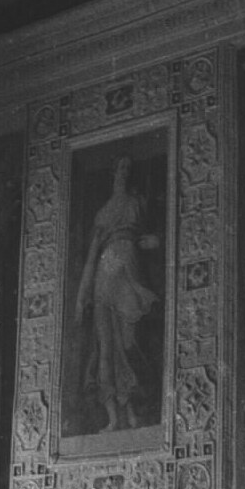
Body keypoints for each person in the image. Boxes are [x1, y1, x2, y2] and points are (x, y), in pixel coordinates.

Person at [73, 155, 162, 432]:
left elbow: (157, 233)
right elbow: (92, 255)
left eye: (128, 168)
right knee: (105, 348)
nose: (125, 171)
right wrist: (82, 296)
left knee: (128, 342)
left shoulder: (137, 203)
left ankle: (132, 407)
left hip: (130, 268)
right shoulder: (103, 212)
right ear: (114, 172)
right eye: (121, 167)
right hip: (105, 272)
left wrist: (157, 242)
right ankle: (114, 416)